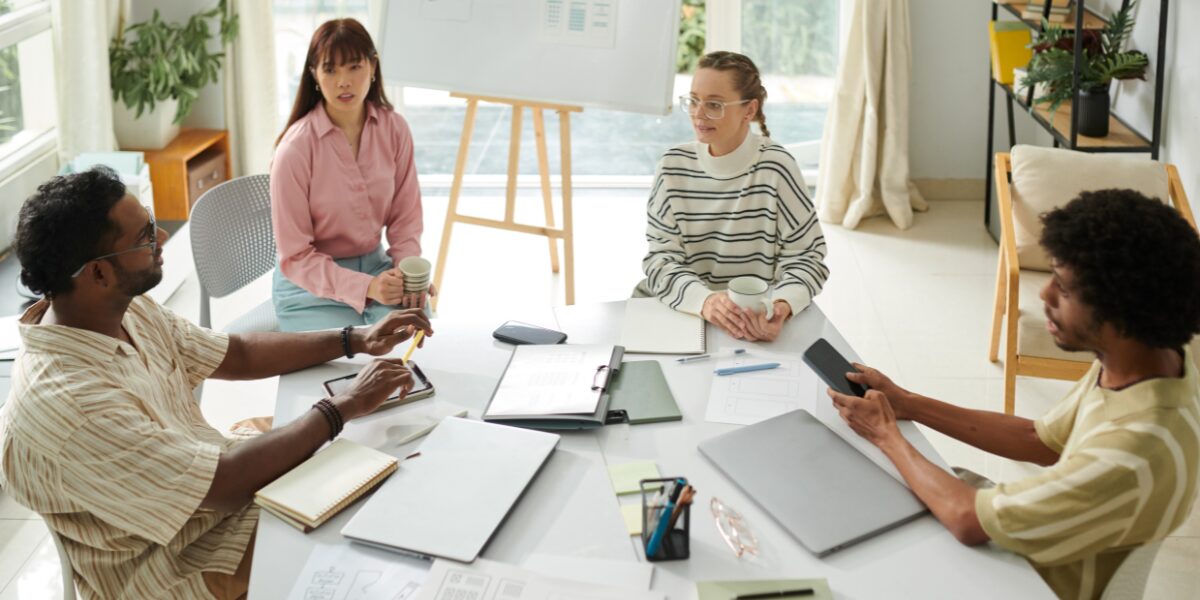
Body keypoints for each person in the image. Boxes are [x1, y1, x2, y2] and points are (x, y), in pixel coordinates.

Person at [0, 168, 433, 599]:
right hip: (177, 562)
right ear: (97, 274)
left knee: (385, 446)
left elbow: (236, 353)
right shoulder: (73, 406)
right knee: (375, 508)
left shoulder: (120, 310)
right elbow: (223, 488)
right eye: (146, 236)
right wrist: (344, 405)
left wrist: (354, 339)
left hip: (211, 481)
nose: (163, 239)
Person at [827, 189, 1200, 599]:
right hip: (1015, 544)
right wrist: (906, 403)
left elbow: (967, 519)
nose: (1045, 296)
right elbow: (1039, 440)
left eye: (1065, 288)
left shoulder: (1136, 449)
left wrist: (887, 436)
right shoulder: (1148, 359)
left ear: (1121, 312)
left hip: (1022, 580)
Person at [636, 51, 828, 343]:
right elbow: (660, 259)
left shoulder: (776, 167)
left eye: (714, 105)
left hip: (755, 319)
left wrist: (781, 307)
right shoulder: (672, 166)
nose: (699, 114)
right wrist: (706, 302)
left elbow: (808, 257)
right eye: (693, 100)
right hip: (686, 311)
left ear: (749, 110)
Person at [271, 18, 430, 332]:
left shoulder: (394, 129)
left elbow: (405, 220)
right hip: (309, 285)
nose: (344, 81)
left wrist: (409, 276)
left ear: (372, 67)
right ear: (314, 75)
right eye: (331, 70)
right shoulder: (295, 150)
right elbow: (296, 255)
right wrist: (367, 288)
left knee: (414, 350)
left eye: (354, 67)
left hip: (378, 269)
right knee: (345, 367)